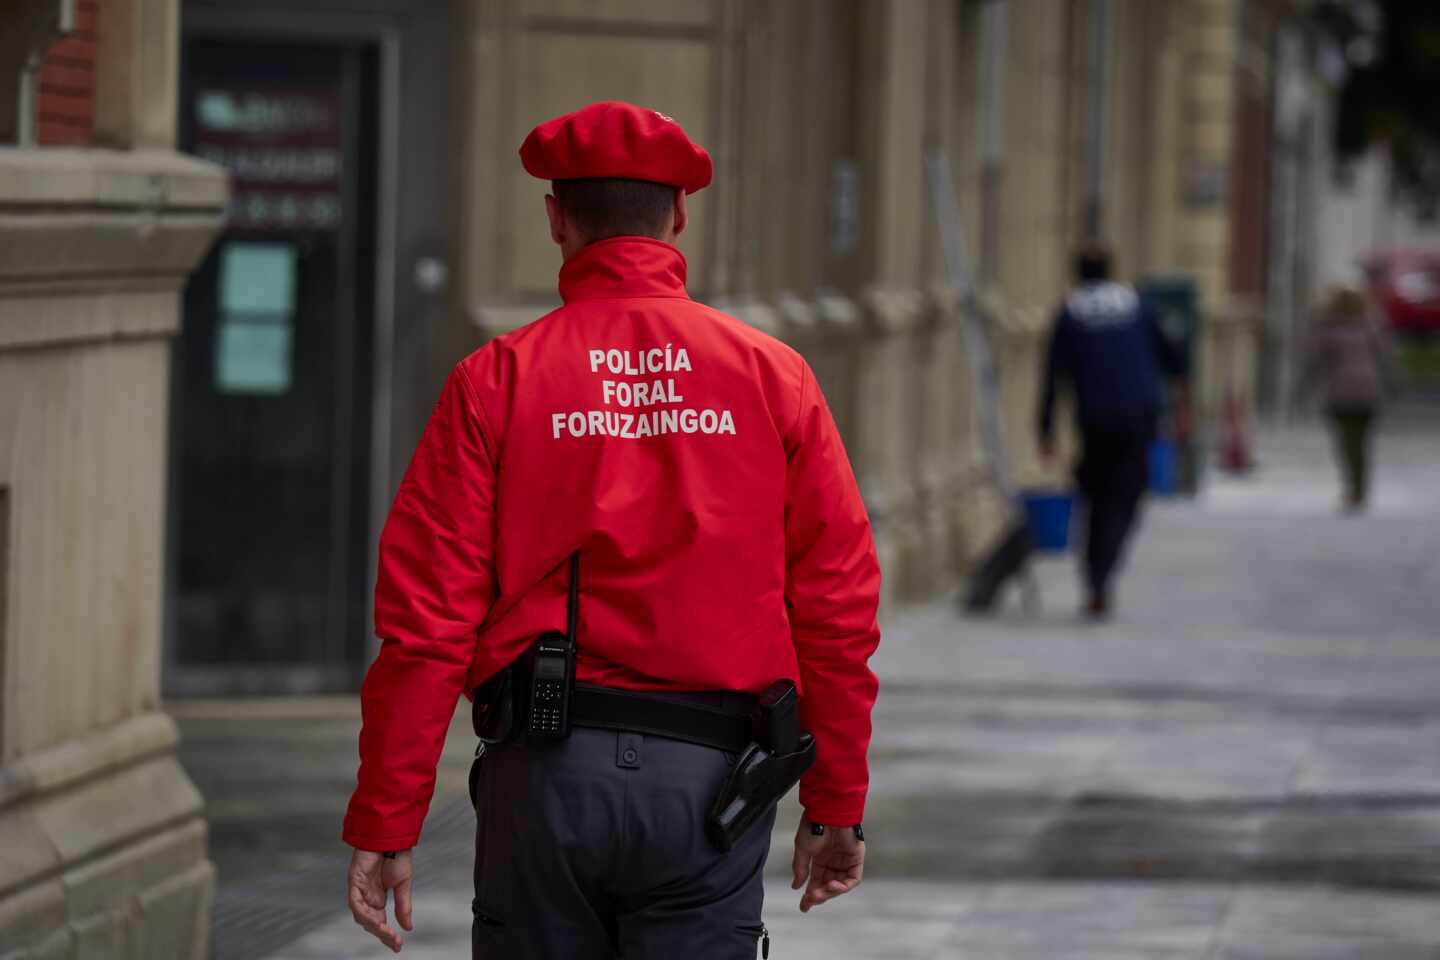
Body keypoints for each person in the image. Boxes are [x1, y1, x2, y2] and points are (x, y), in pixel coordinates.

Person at [341, 101, 882, 958]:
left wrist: (388, 813)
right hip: (713, 788)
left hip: (544, 784)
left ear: (557, 218)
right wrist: (837, 801)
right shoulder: (775, 379)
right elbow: (838, 608)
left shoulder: (497, 380)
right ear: (677, 217)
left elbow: (426, 622)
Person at [1037, 243, 1181, 619]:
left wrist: (1046, 430)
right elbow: (1174, 356)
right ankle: (1104, 570)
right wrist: (1181, 401)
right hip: (1139, 415)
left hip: (1095, 418)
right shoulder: (1137, 305)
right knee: (1128, 496)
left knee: (1095, 497)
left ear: (1077, 273)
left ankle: (1095, 576)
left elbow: (1053, 376)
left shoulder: (1071, 312)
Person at [1300, 281, 1401, 512]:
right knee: (1363, 443)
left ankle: (1353, 490)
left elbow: (1313, 362)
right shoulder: (1372, 325)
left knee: (1347, 443)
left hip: (1341, 393)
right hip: (1369, 391)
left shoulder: (1328, 327)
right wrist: (1394, 385)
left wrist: (1303, 389)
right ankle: (1360, 489)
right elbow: (1386, 358)